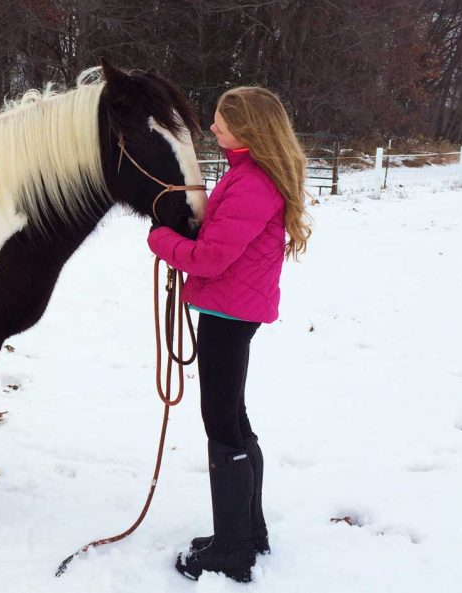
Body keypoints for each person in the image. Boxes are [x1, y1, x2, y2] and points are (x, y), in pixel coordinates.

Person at [147, 86, 311, 582]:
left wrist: (160, 240)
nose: (213, 128)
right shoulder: (246, 174)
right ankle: (247, 532)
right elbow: (220, 238)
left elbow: (213, 258)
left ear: (247, 128)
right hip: (232, 308)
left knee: (221, 422)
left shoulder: (251, 183)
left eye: (220, 121)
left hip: (229, 313)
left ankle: (233, 550)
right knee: (233, 417)